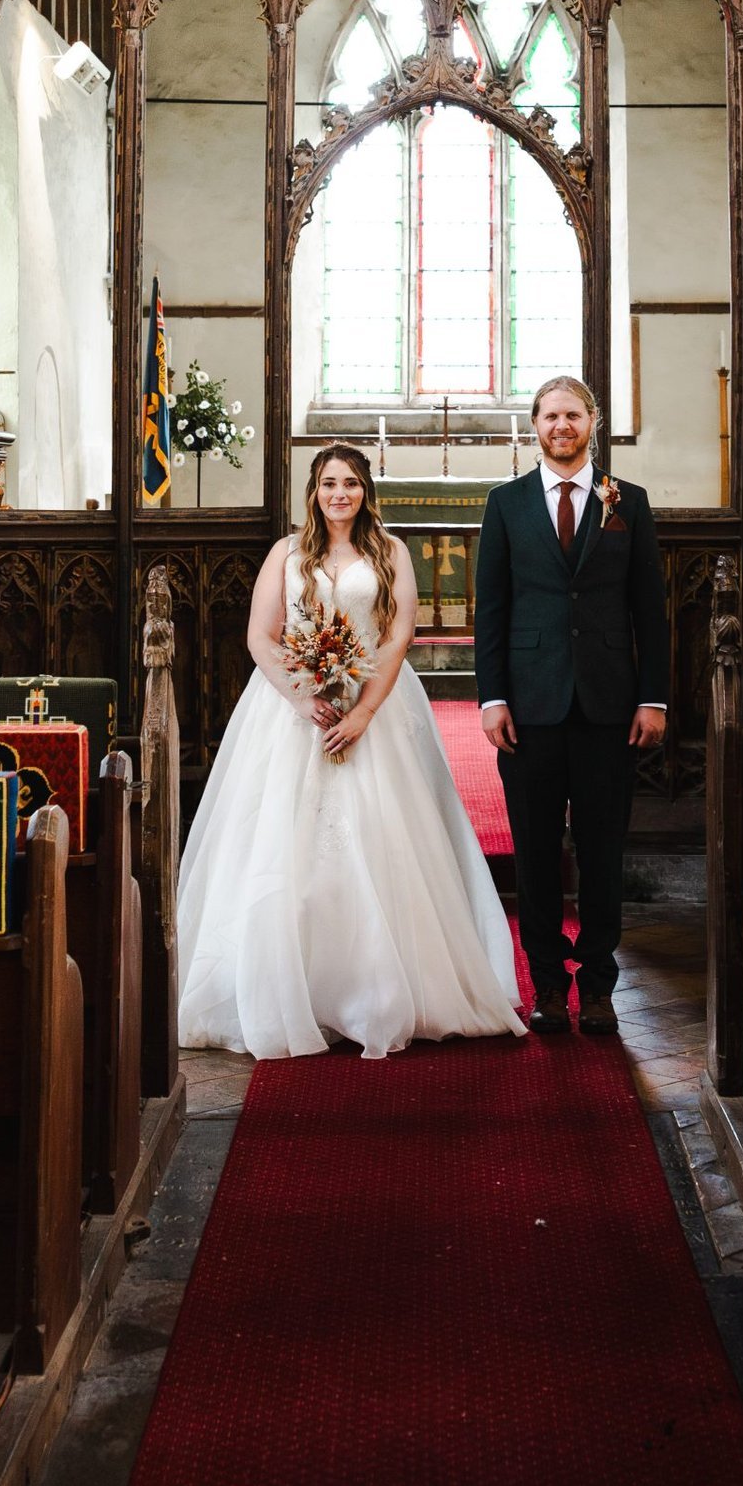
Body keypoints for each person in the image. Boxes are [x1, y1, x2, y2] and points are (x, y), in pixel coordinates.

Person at [175, 441, 525, 1060]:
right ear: (313, 491)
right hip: (292, 709)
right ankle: (291, 988)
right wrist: (302, 696)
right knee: (281, 847)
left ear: (366, 490)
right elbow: (261, 635)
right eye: (330, 483)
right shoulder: (286, 553)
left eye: (352, 483)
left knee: (383, 839)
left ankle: (381, 989)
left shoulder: (388, 552)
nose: (341, 493)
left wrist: (363, 711)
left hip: (376, 706)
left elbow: (399, 634)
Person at [474, 376, 670, 1035]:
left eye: (573, 414)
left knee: (602, 849)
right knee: (533, 852)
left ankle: (600, 983)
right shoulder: (506, 505)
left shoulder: (628, 503)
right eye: (550, 415)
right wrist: (493, 697)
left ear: (593, 421)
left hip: (611, 703)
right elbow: (492, 608)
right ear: (534, 425)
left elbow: (651, 608)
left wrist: (653, 697)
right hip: (528, 704)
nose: (562, 425)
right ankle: (549, 986)